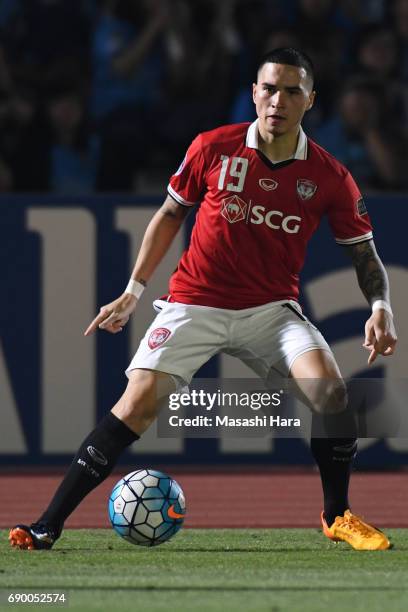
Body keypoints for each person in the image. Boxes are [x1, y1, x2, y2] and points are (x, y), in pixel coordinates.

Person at [9, 47, 397, 551]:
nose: (278, 100)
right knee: (137, 405)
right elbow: (170, 215)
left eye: (291, 91)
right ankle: (48, 524)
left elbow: (365, 256)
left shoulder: (329, 176)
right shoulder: (213, 146)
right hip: (194, 302)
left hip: (270, 312)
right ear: (254, 93)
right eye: (269, 88)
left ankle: (337, 515)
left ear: (310, 101)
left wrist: (381, 307)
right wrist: (133, 291)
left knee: (335, 397)